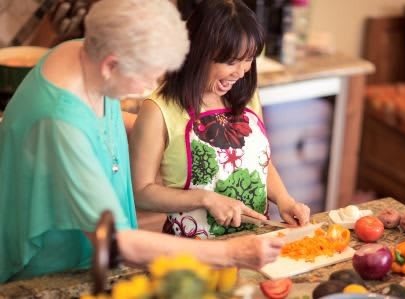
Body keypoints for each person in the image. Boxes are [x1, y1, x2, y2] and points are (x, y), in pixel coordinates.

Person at [0, 0, 284, 283]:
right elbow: (117, 242)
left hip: (92, 258)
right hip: (51, 269)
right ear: (111, 65)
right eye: (147, 76)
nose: (150, 87)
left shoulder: (81, 53)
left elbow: (95, 114)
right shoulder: (59, 124)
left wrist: (161, 132)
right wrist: (231, 253)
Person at [130, 0, 311, 239]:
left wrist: (285, 200)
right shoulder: (158, 109)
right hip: (193, 251)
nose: (241, 72)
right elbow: (141, 192)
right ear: (197, 53)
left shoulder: (246, 96)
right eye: (231, 61)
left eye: (248, 59)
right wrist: (205, 199)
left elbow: (260, 163)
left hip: (256, 242)